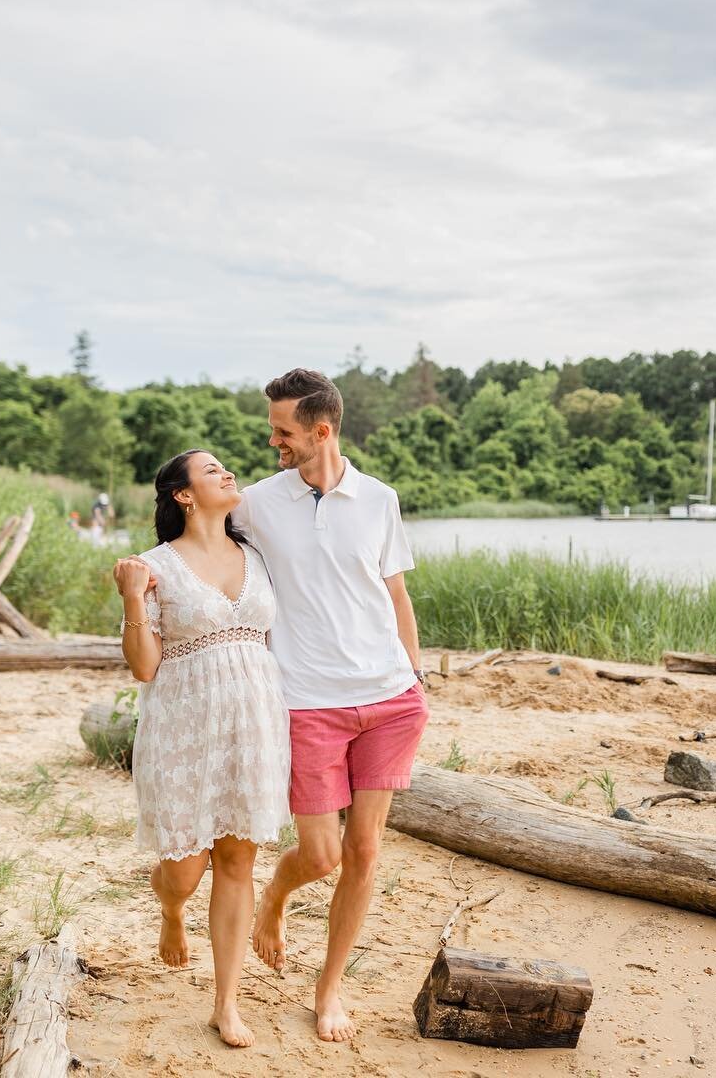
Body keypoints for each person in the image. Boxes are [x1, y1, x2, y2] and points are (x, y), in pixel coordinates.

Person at [234, 368, 428, 1044]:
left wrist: (416, 676)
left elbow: (395, 594)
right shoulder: (256, 503)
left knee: (366, 849)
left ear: (322, 431)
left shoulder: (380, 500)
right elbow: (196, 533)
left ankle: (329, 988)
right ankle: (275, 896)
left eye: (282, 431)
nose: (272, 441)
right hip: (307, 702)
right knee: (321, 856)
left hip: (389, 699)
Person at [112, 450, 290, 1049]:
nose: (227, 474)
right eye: (212, 470)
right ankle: (170, 910)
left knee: (239, 864)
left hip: (254, 725)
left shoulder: (258, 557)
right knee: (185, 873)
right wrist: (133, 599)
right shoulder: (154, 566)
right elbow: (144, 668)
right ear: (182, 495)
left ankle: (226, 1003)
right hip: (185, 730)